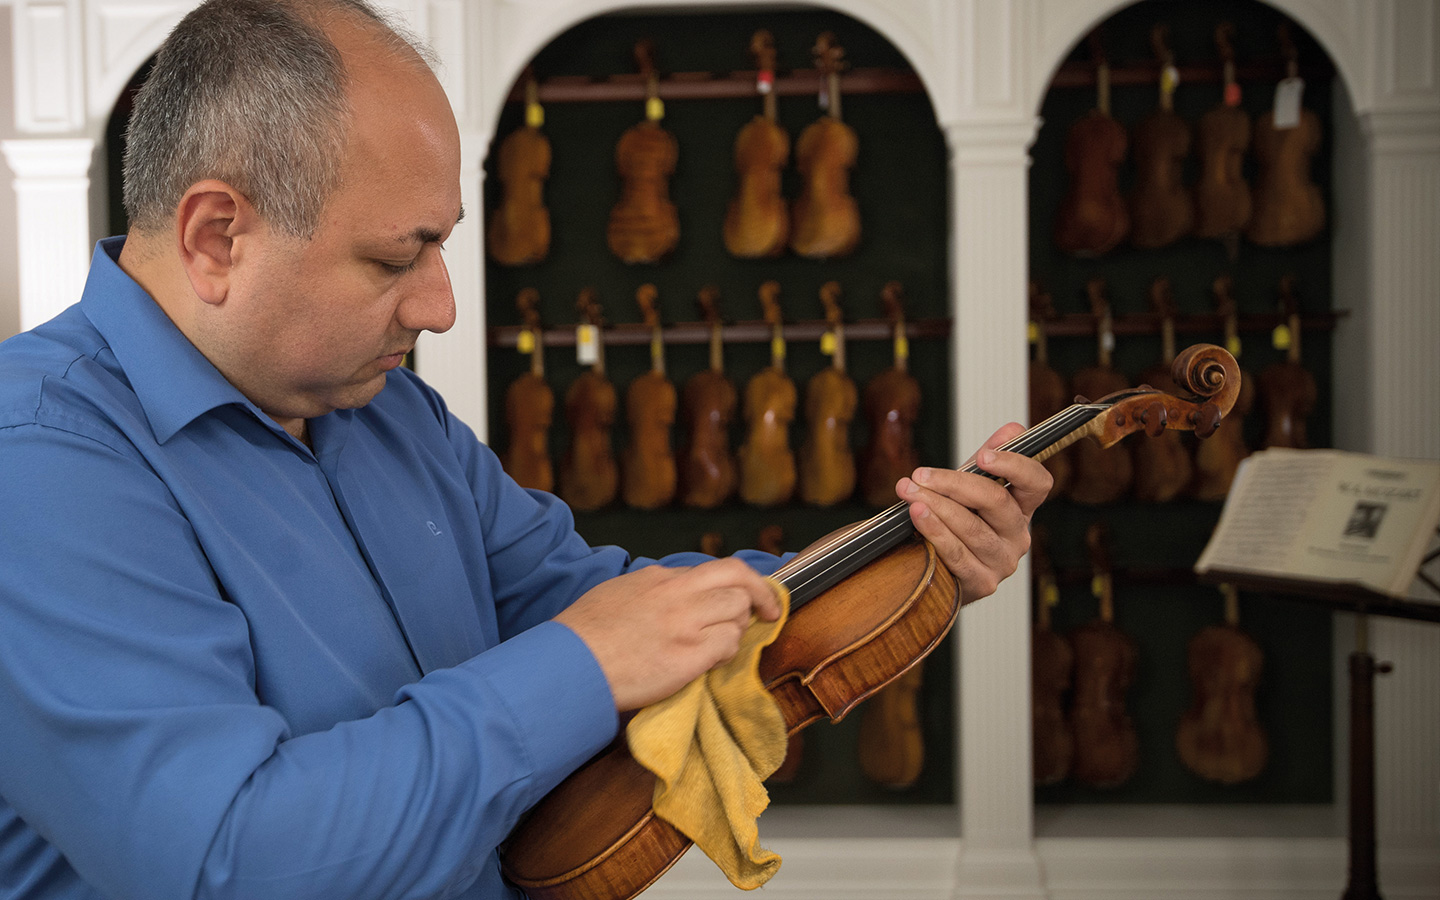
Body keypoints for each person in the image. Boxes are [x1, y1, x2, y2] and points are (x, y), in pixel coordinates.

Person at [0, 2, 1051, 899]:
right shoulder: (38, 462)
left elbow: (602, 605)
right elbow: (228, 860)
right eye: (397, 257)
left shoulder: (386, 411)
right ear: (215, 237)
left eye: (442, 244)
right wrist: (581, 667)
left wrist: (907, 566)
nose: (441, 306)